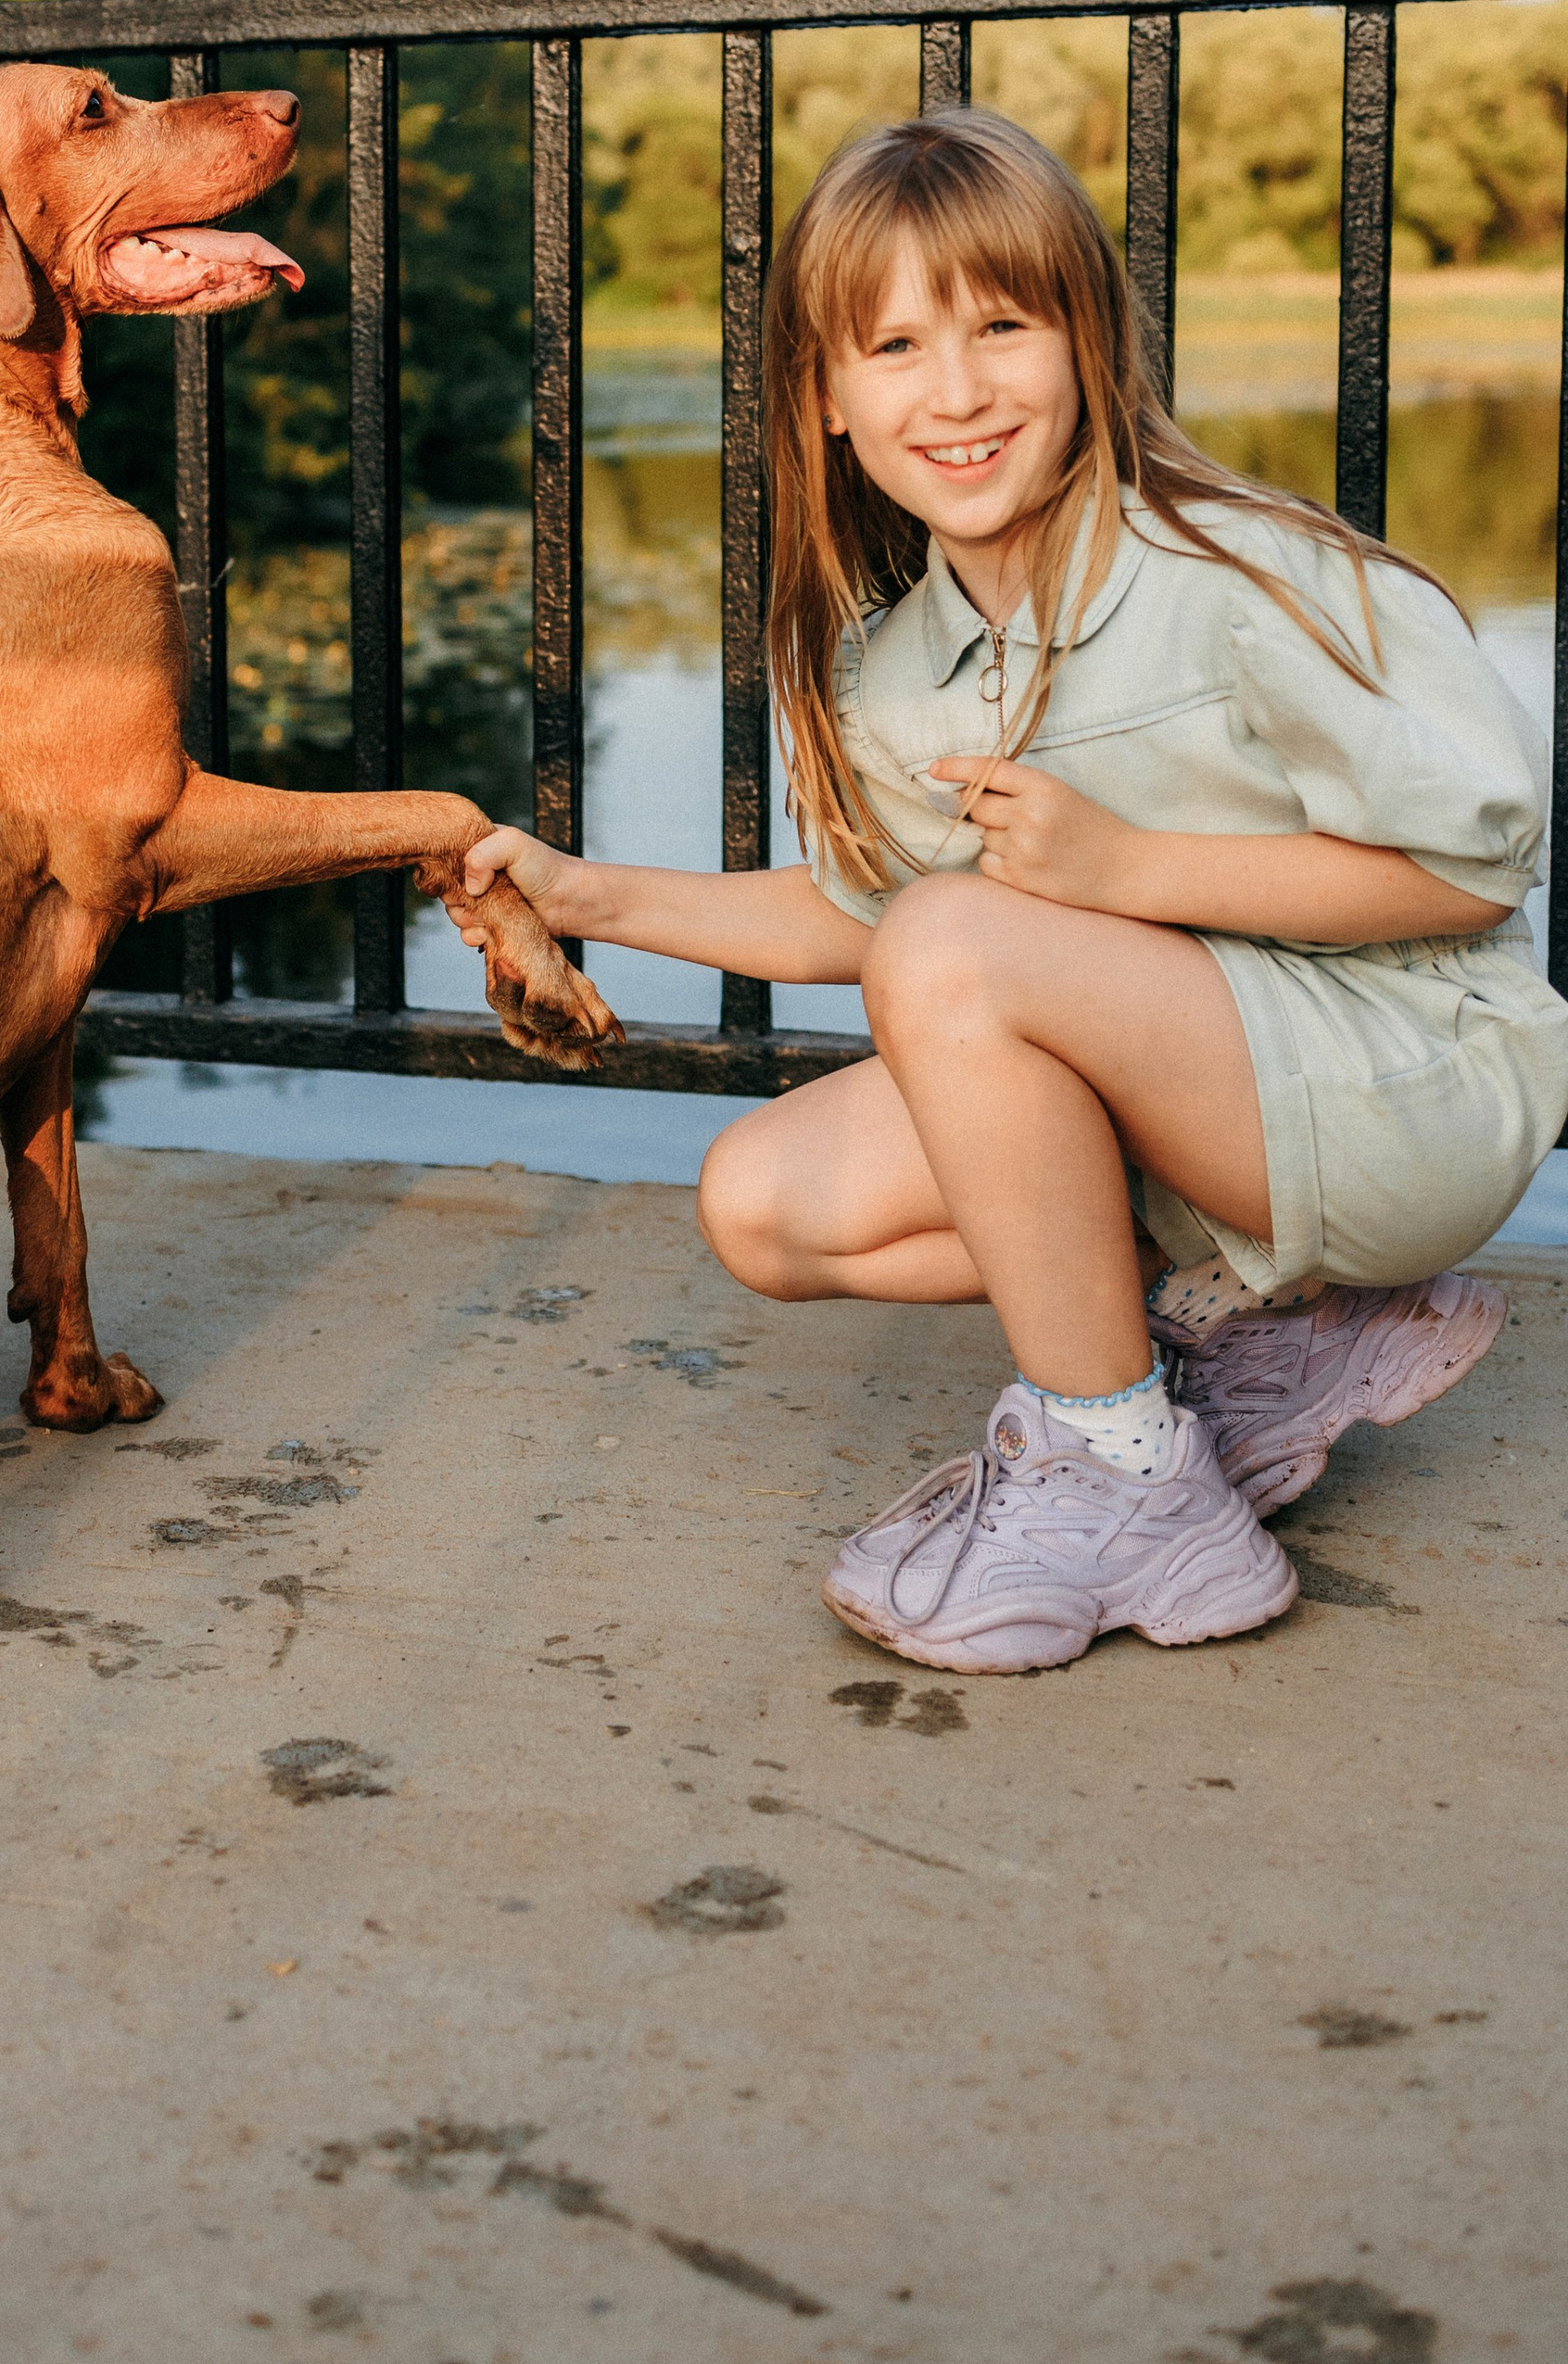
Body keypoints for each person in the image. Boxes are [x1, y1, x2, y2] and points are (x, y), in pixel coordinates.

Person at [463, 110, 1568, 1675]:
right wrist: (586, 895)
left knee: (957, 947)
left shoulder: (1236, 578)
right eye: (895, 347)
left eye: (1002, 328)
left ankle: (1124, 1472)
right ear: (826, 398)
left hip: (1407, 1090)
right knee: (766, 1203)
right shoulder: (903, 664)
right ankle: (1281, 1332)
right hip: (1222, 1116)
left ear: (1087, 343)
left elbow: (1470, 868)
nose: (958, 391)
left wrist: (1130, 868)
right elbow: (871, 920)